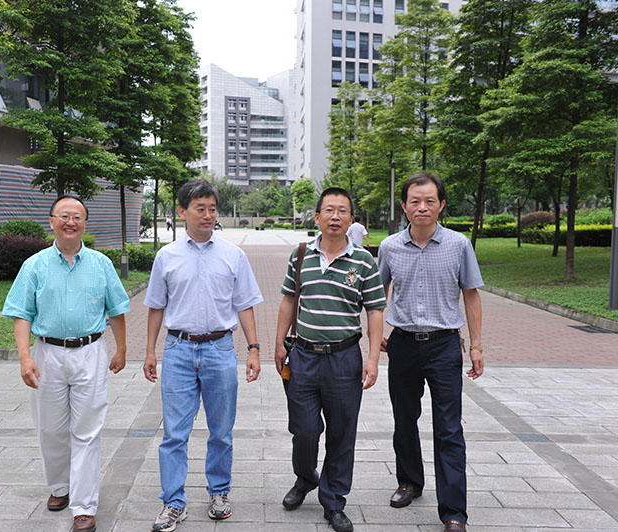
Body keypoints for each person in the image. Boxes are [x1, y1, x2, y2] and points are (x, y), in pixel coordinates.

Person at [2, 195, 130, 532]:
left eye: (77, 217)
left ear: (85, 223)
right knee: (50, 428)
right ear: (52, 221)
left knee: (87, 432)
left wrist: (121, 349)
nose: (70, 222)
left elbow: (116, 309)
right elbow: (20, 313)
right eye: (63, 216)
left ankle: (84, 506)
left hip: (90, 351)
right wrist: (25, 355)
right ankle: (60, 487)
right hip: (48, 353)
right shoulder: (35, 265)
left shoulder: (101, 263)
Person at [143, 179, 263, 532]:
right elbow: (155, 307)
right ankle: (173, 502)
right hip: (178, 350)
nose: (208, 215)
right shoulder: (166, 257)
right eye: (200, 208)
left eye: (212, 208)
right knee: (174, 434)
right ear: (181, 212)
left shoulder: (233, 255)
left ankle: (219, 493)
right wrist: (150, 351)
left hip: (220, 349)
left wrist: (254, 349)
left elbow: (245, 305)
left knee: (221, 431)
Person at [274, 187, 386, 532]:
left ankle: (334, 500)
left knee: (341, 434)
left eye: (342, 211)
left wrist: (372, 358)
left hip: (344, 360)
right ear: (318, 217)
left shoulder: (364, 261)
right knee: (303, 430)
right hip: (304, 357)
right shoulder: (301, 254)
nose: (335, 217)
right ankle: (306, 477)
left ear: (352, 219)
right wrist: (278, 342)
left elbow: (375, 311)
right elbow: (288, 302)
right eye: (329, 211)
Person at [377, 172, 484, 532]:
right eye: (414, 201)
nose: (421, 207)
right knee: (404, 420)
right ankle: (409, 481)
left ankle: (454, 511)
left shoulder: (458, 244)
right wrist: (374, 335)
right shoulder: (390, 246)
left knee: (449, 428)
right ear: (404, 205)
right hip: (403, 344)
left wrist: (477, 345)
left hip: (444, 346)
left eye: (429, 201)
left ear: (441, 205)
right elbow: (377, 296)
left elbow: (471, 294)